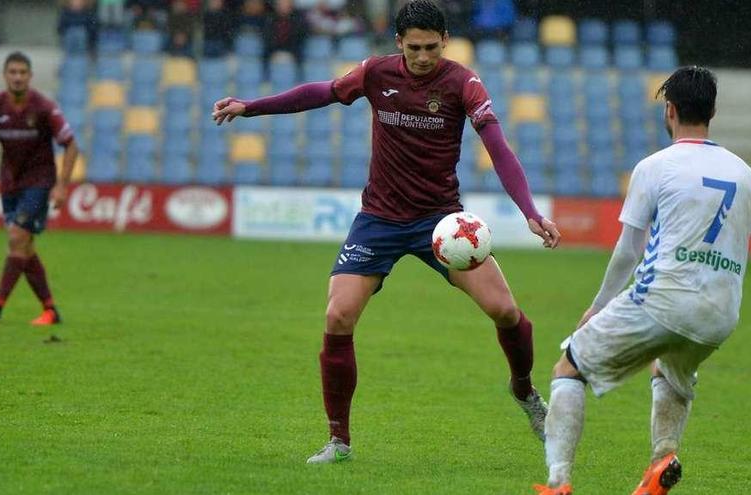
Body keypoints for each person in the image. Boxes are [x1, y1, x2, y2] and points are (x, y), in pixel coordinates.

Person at [212, 0, 561, 464]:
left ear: (445, 43)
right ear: (399, 43)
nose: (422, 57)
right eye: (413, 47)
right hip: (379, 219)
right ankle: (339, 442)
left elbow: (496, 146)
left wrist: (529, 211)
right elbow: (321, 92)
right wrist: (250, 108)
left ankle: (524, 391)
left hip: (441, 222)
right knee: (338, 317)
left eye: (431, 48)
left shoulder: (463, 83)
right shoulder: (376, 73)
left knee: (504, 310)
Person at [532, 66, 751, 495]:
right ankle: (661, 463)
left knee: (569, 367)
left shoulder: (655, 166)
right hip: (718, 317)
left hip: (662, 299)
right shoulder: (746, 175)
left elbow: (628, 250)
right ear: (712, 111)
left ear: (670, 111)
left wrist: (598, 306)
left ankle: (558, 482)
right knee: (671, 370)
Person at [0, 52, 79, 326]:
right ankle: (50, 310)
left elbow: (71, 144)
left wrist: (62, 186)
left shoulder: (44, 107)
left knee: (16, 238)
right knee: (23, 248)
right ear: (5, 75)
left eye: (22, 72)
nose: (17, 77)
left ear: (30, 76)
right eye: (13, 72)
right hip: (10, 184)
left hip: (39, 183)